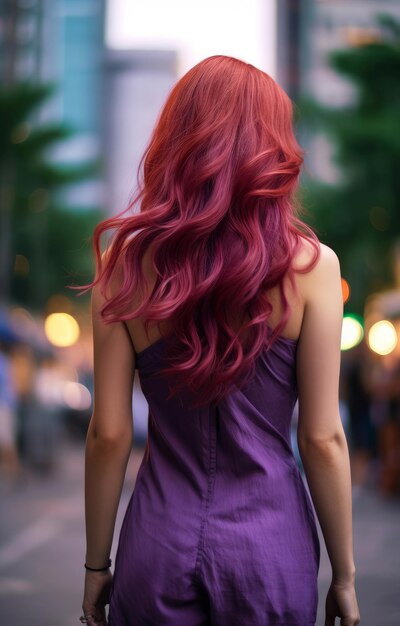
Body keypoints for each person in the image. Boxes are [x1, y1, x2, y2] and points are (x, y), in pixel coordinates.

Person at [74, 55, 360, 626]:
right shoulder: (313, 267)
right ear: (273, 146)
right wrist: (345, 574)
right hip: (269, 550)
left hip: (156, 543)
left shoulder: (125, 264)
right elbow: (323, 437)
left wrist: (96, 566)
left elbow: (108, 434)